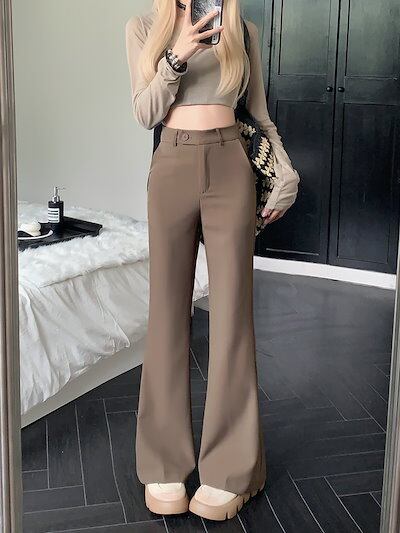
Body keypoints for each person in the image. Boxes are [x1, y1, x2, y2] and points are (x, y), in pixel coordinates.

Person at [125, 0, 299, 521]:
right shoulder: (144, 28)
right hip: (172, 163)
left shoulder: (243, 30)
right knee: (166, 316)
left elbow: (259, 116)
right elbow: (145, 113)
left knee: (232, 319)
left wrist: (285, 171)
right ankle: (163, 460)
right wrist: (176, 56)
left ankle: (232, 470)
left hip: (230, 165)